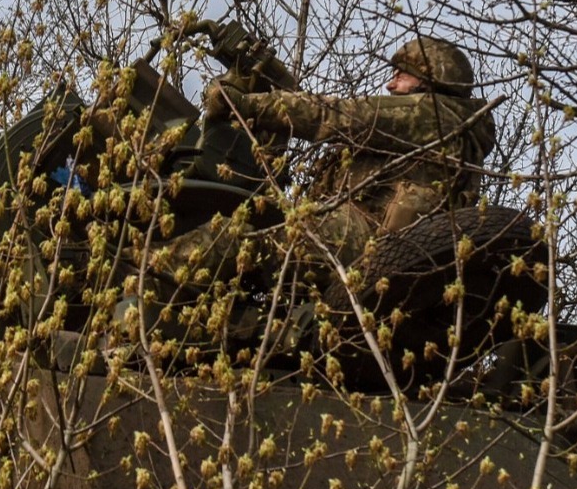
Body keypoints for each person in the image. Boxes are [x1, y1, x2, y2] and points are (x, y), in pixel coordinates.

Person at [151, 33, 494, 294]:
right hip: (368, 244)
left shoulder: (433, 115)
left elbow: (338, 116)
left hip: (368, 243)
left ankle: (143, 277)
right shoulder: (441, 134)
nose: (391, 83)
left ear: (430, 81)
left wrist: (247, 104)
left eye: (401, 74)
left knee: (237, 238)